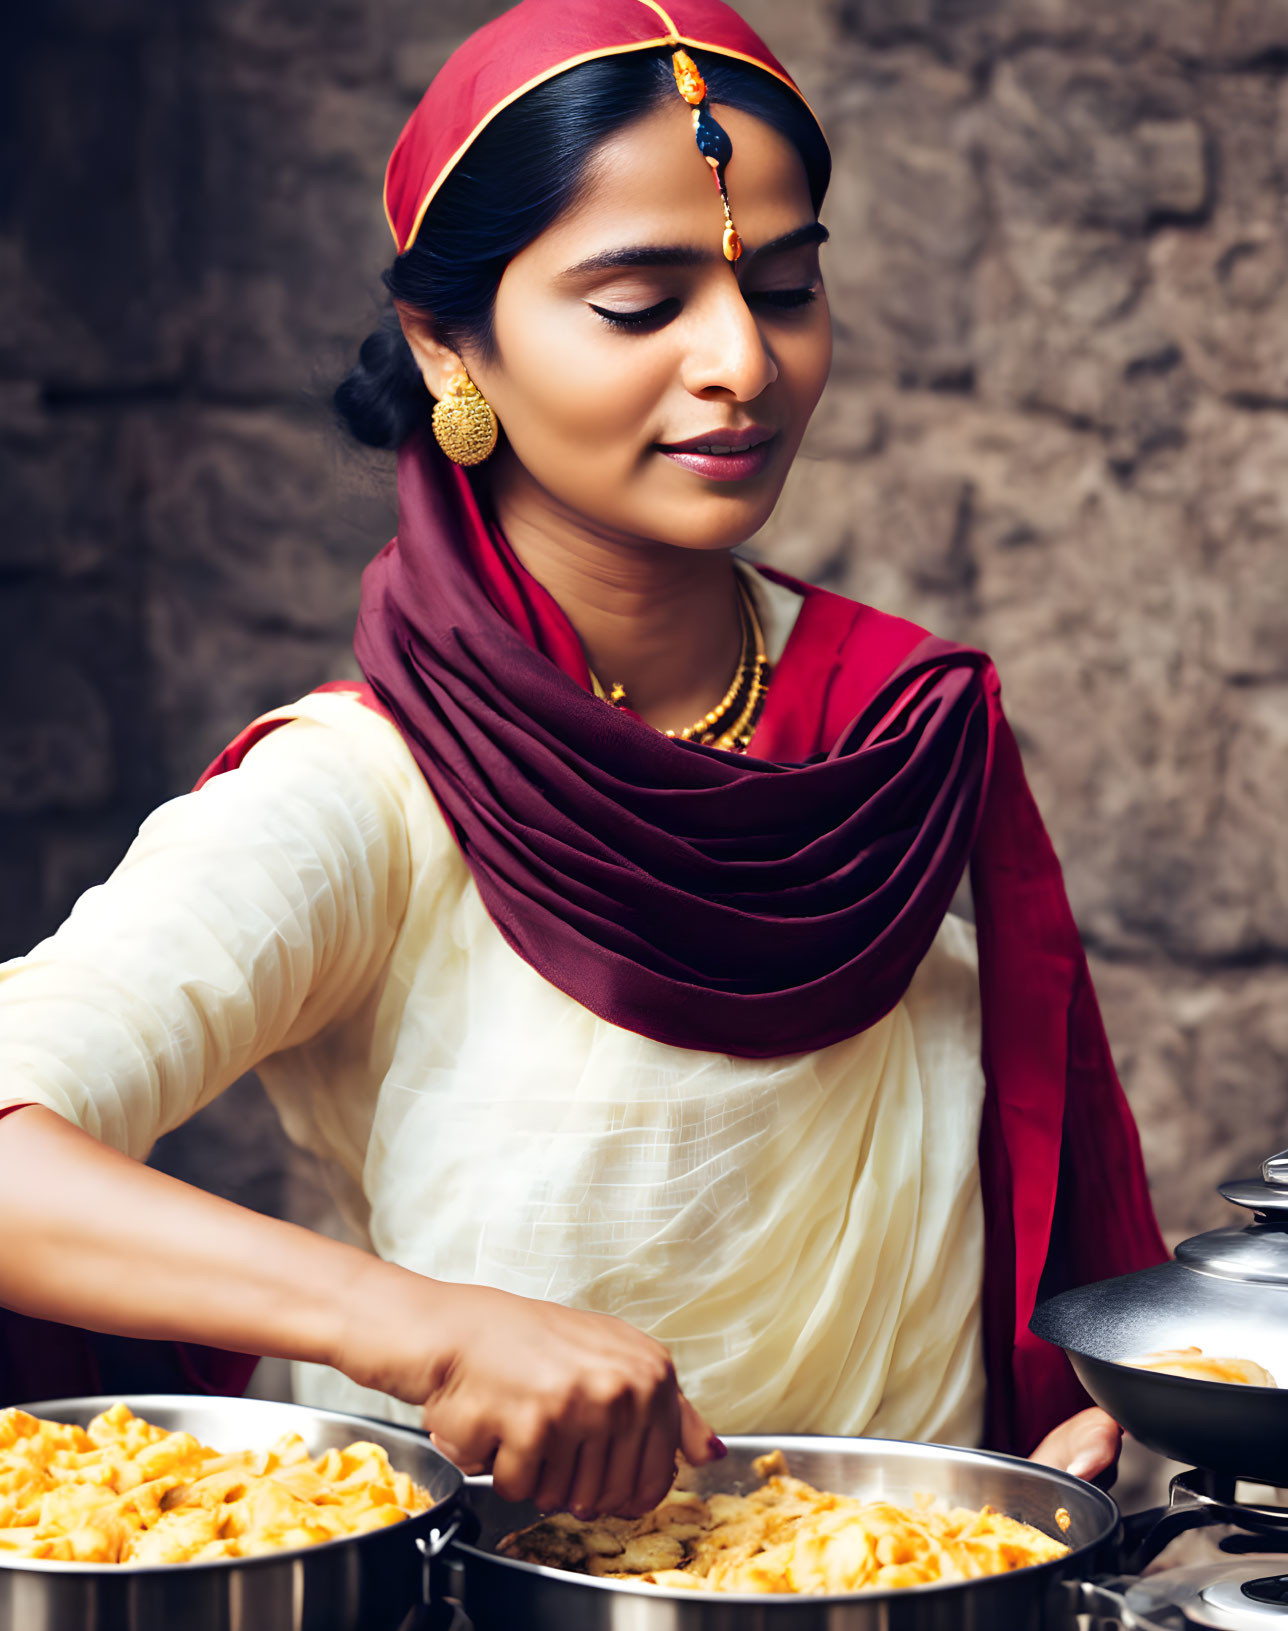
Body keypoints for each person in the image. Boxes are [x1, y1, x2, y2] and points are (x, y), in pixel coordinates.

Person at [0, 0, 1166, 1520]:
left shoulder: (897, 728)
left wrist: (1072, 1409)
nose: (743, 362)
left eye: (789, 284)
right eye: (638, 305)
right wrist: (425, 1330)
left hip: (911, 1593)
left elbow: (1015, 1229)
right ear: (446, 344)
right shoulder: (377, 791)